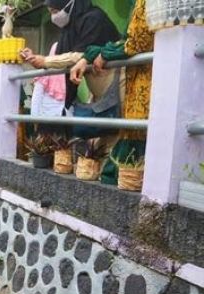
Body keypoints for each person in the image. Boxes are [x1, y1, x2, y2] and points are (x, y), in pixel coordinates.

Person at [70, 0, 152, 185]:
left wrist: (103, 54)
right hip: (134, 85)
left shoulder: (147, 4)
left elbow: (136, 42)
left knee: (138, 132)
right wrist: (88, 56)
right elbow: (125, 42)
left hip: (145, 84)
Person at [20, 0, 120, 110]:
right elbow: (62, 56)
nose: (53, 17)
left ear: (69, 4)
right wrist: (35, 58)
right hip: (98, 90)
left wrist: (45, 61)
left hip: (117, 85)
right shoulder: (70, 27)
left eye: (55, 11)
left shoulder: (94, 19)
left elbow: (83, 54)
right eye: (51, 13)